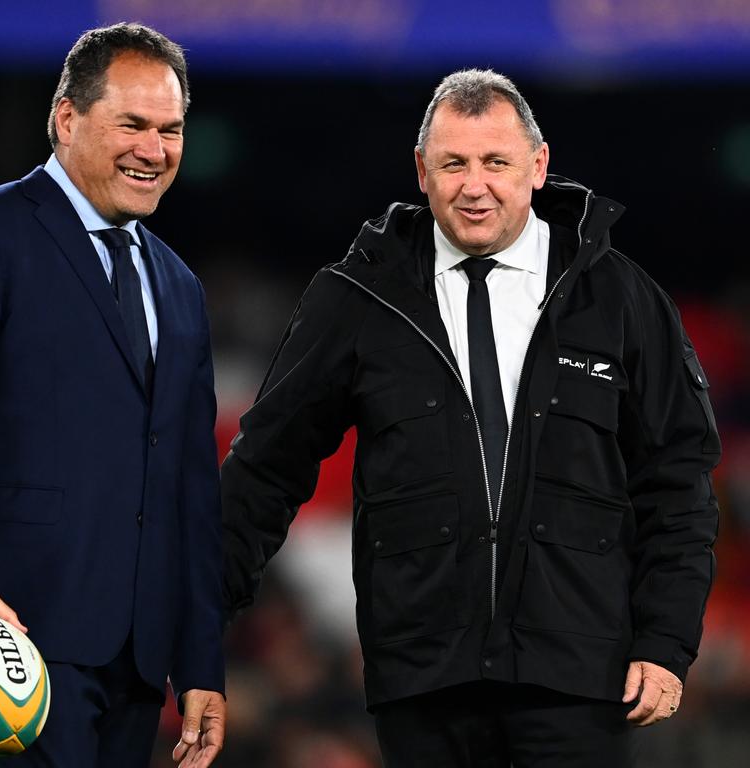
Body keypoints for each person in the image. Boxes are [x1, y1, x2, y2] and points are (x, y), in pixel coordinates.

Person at [220, 68, 720, 767]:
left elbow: (679, 482)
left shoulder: (620, 298)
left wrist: (666, 642)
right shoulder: (359, 297)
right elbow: (264, 471)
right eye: (454, 163)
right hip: (423, 684)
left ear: (539, 166)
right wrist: (199, 633)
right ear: (422, 171)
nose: (474, 184)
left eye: (497, 162)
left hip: (578, 684)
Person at [0, 22, 225, 768]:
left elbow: (190, 488)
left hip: (136, 655)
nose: (154, 149)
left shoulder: (180, 286)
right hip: (8, 634)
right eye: (131, 123)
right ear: (66, 118)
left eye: (170, 129)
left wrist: (200, 665)